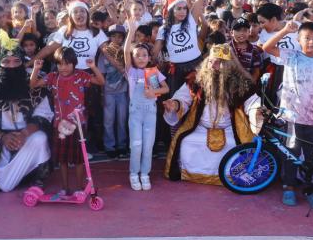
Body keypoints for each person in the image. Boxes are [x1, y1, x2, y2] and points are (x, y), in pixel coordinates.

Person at [263, 21, 313, 209]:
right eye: (307, 38)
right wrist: (284, 30)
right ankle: (288, 187)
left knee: (312, 156)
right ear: (298, 40)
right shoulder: (291, 56)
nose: (311, 42)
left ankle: (311, 190)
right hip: (291, 117)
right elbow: (267, 47)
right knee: (291, 153)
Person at [163, 44, 258, 185]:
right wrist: (175, 104)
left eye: (218, 62)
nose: (212, 65)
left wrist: (256, 111)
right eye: (210, 61)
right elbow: (183, 98)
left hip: (230, 129)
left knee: (236, 145)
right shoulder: (196, 80)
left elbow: (252, 103)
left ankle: (232, 176)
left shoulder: (241, 83)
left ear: (228, 65)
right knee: (186, 142)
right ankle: (190, 174)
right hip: (200, 127)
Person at [0, 45, 54, 195]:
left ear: (23, 62)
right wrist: (3, 136)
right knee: (5, 186)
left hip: (27, 136)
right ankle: (13, 176)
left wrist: (25, 133)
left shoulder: (35, 82)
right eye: (6, 62)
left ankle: (37, 181)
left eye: (16, 61)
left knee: (40, 138)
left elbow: (44, 113)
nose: (12, 66)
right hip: (0, 142)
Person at [30, 47, 104, 196]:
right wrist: (36, 69)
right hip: (60, 126)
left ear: (74, 63)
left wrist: (93, 67)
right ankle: (65, 188)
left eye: (67, 64)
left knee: (78, 160)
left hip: (78, 125)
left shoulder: (81, 75)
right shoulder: (52, 77)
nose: (63, 67)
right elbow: (33, 85)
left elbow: (101, 81)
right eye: (60, 64)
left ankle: (80, 188)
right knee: (62, 160)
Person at [153, 0, 213, 98]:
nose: (182, 11)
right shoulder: (163, 29)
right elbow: (154, 53)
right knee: (176, 102)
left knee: (197, 102)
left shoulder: (191, 21)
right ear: (171, 11)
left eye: (184, 8)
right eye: (178, 8)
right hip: (175, 71)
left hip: (196, 67)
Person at [125, 19, 168, 190]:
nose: (141, 58)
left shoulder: (152, 72)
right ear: (133, 58)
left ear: (149, 57)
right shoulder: (131, 72)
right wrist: (131, 31)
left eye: (144, 55)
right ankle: (133, 173)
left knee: (148, 145)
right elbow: (125, 51)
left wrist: (154, 92)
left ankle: (145, 173)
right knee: (136, 145)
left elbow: (165, 88)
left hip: (150, 113)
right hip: (135, 114)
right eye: (137, 55)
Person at [99, 24, 129, 159]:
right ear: (109, 38)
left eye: (120, 37)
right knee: (108, 120)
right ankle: (109, 146)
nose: (117, 39)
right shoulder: (103, 55)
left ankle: (122, 145)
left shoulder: (126, 53)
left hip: (123, 91)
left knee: (122, 120)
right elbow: (101, 75)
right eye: (114, 36)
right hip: (108, 92)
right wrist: (102, 93)